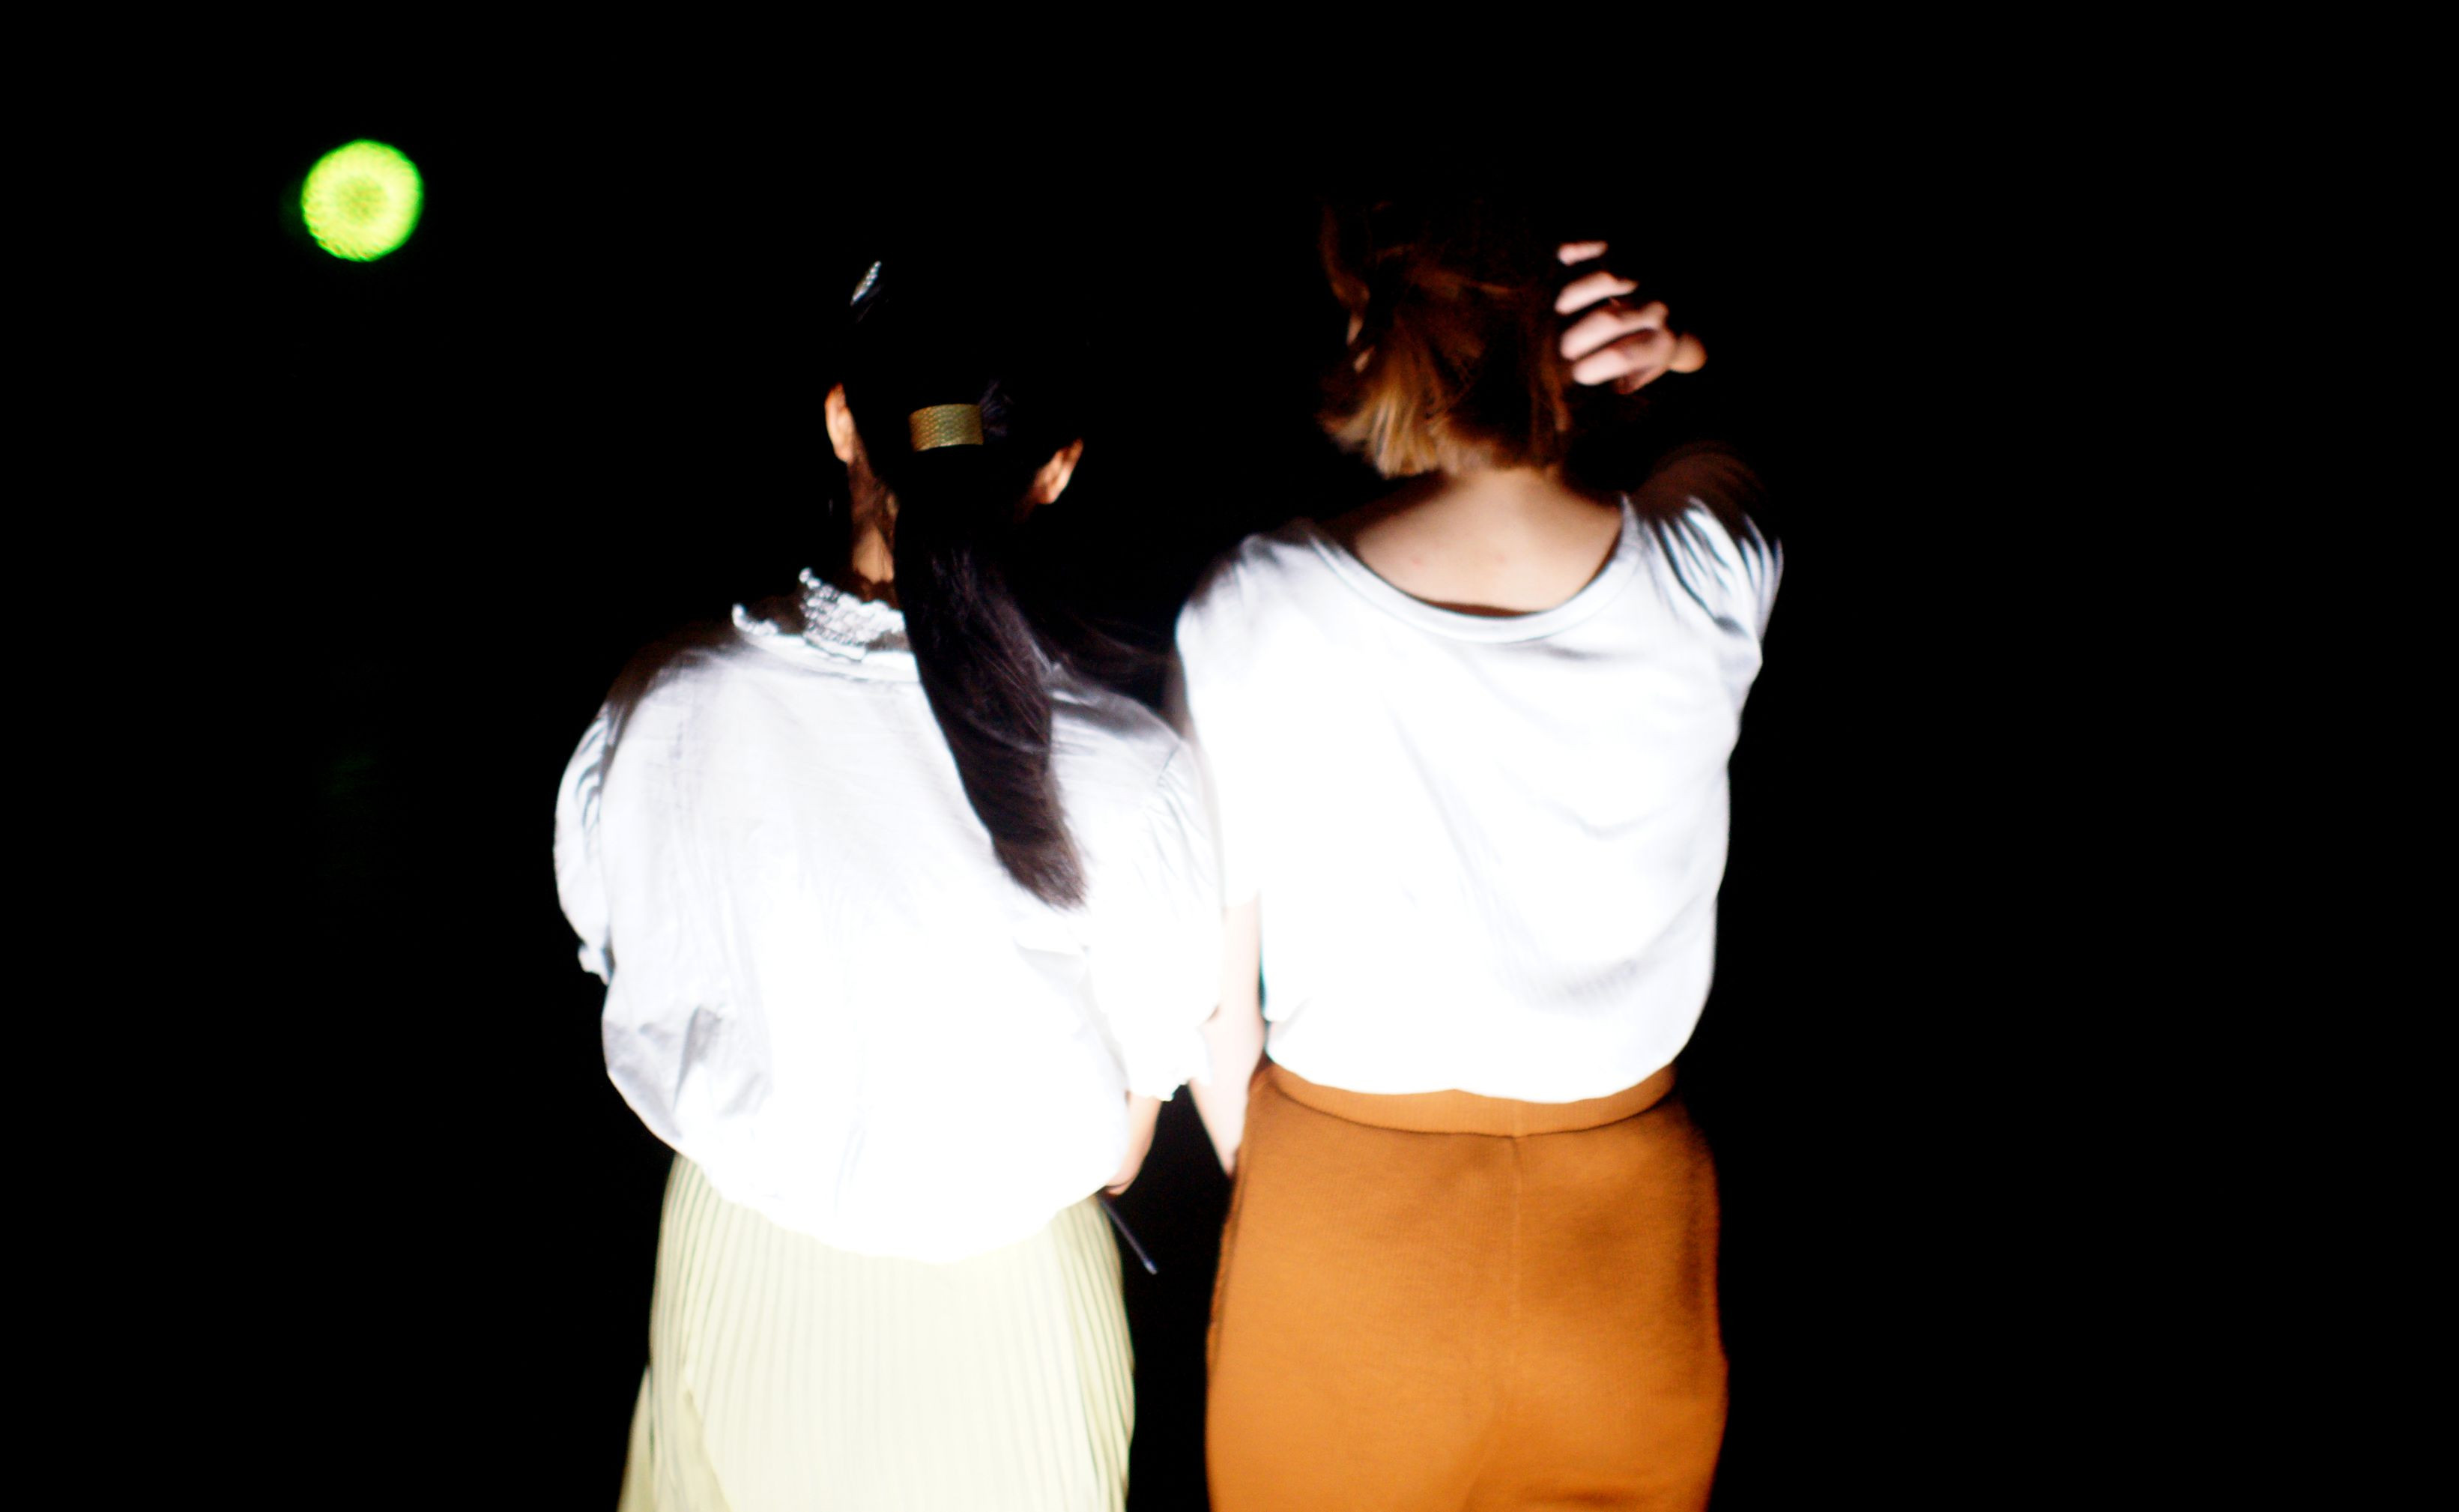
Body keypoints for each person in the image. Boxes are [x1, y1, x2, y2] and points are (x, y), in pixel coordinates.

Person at [554, 253, 1221, 1512]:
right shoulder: (1126, 769)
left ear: (842, 420)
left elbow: (621, 959)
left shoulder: (666, 703)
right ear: (1056, 467)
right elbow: (1129, 1138)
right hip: (1008, 1302)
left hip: (743, 1263)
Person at [1177, 201, 1771, 1511]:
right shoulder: (1707, 568)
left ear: (1375, 331)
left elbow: (1211, 997)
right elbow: (1735, 438)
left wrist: (1291, 1194)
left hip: (1347, 1208)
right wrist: (1673, 362)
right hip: (1622, 1236)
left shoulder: (1258, 603)